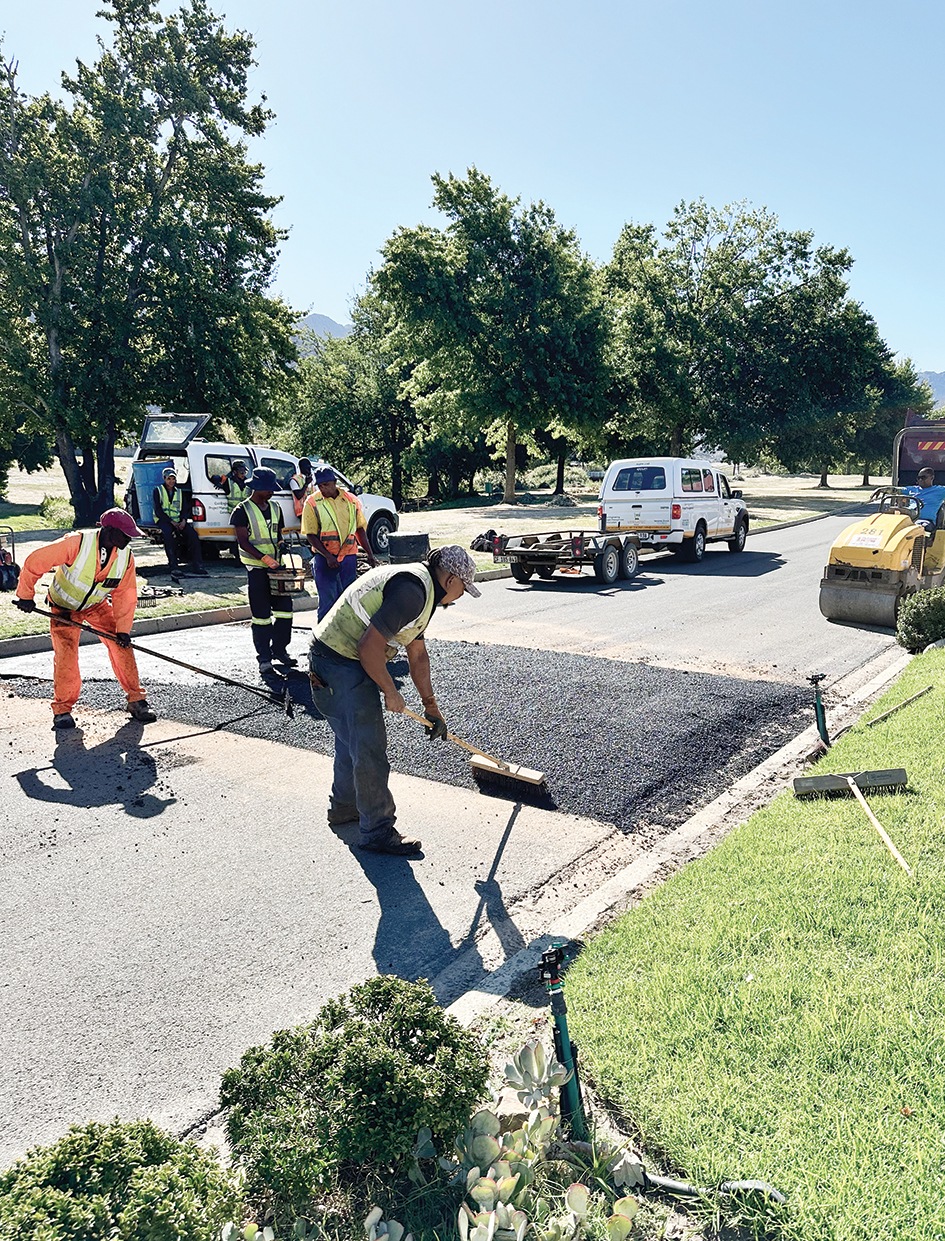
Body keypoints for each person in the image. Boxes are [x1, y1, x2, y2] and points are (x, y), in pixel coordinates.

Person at [308, 544, 481, 855]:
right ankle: (377, 832)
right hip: (339, 662)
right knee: (369, 746)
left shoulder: (422, 592)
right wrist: (391, 691)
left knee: (353, 742)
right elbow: (368, 648)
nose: (461, 597)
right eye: (463, 590)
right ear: (451, 580)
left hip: (337, 659)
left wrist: (432, 707)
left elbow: (418, 656)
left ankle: (345, 807)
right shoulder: (412, 592)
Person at [13, 508, 158, 730]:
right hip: (64, 608)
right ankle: (62, 711)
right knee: (66, 656)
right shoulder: (76, 543)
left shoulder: (125, 557)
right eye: (126, 534)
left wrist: (123, 630)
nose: (130, 539)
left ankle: (136, 700)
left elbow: (125, 594)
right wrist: (25, 596)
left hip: (96, 606)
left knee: (122, 647)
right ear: (109, 530)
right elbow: (35, 561)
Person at [231, 468, 297, 675]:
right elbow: (243, 541)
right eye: (269, 489)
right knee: (261, 616)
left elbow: (278, 534)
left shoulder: (276, 508)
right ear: (257, 487)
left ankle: (280, 650)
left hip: (277, 569)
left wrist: (282, 545)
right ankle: (264, 658)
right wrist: (265, 559)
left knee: (285, 611)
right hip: (257, 569)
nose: (272, 493)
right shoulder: (242, 511)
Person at [302, 466, 377, 621]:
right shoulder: (312, 503)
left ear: (335, 482)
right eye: (320, 486)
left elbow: (359, 529)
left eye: (326, 485)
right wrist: (328, 557)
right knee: (327, 601)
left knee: (348, 599)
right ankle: (324, 640)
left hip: (348, 556)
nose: (323, 488)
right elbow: (310, 535)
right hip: (324, 558)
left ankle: (345, 637)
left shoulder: (351, 501)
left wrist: (370, 554)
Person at [152, 467, 208, 579]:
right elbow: (158, 510)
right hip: (164, 521)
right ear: (164, 479)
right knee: (169, 537)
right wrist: (171, 522)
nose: (171, 481)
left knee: (193, 535)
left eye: (173, 478)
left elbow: (185, 509)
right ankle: (173, 566)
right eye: (169, 479)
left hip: (178, 520)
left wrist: (183, 520)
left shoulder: (180, 492)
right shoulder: (157, 491)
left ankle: (198, 565)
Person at [902, 468, 945, 536]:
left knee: (918, 528)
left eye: (923, 477)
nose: (920, 480)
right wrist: (889, 490)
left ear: (932, 478)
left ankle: (920, 545)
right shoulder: (912, 489)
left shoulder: (940, 490)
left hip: (926, 521)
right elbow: (894, 490)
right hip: (909, 519)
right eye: (919, 478)